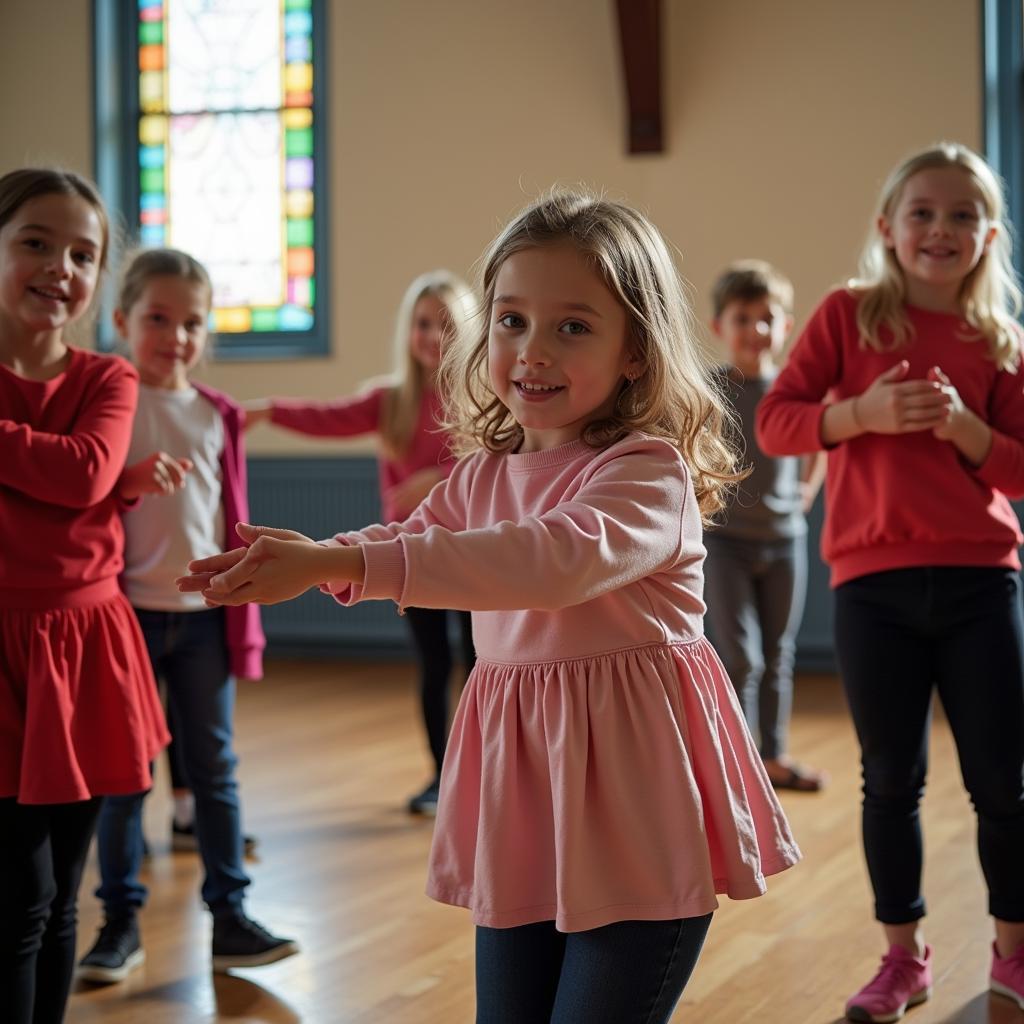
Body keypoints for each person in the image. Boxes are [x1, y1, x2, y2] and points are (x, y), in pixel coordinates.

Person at [180, 190, 801, 1023]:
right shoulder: (479, 472)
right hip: (527, 810)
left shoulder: (646, 472)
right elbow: (419, 534)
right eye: (511, 320)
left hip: (639, 812)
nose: (532, 350)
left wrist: (342, 560)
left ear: (635, 353)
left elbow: (548, 562)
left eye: (572, 326)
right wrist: (306, 558)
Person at [757, 142, 1024, 1021]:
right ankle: (901, 959)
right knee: (889, 780)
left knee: (1003, 781)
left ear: (988, 235)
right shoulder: (846, 316)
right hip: (874, 587)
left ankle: (1013, 953)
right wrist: (858, 415)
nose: (939, 230)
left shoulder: (999, 340)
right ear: (888, 227)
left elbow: (1019, 470)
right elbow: (776, 422)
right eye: (922, 213)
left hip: (984, 582)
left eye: (960, 216)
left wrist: (967, 432)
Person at [77, 248, 297, 984]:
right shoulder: (111, 402)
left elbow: (228, 513)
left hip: (203, 618)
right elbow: (89, 503)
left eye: (192, 322)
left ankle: (230, 917)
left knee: (214, 770)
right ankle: (118, 924)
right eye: (158, 319)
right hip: (126, 617)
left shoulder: (216, 413)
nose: (176, 335)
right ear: (121, 322)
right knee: (124, 777)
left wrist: (242, 592)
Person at [0, 169, 169, 1024]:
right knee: (15, 898)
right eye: (35, 241)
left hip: (83, 648)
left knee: (58, 896)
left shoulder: (107, 377)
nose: (59, 267)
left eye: (82, 253)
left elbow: (84, 475)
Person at [244, 270, 476, 815]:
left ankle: (481, 771)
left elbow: (506, 464)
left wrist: (438, 482)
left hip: (470, 554)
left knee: (478, 662)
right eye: (423, 325)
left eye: (446, 326)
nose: (433, 338)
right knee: (433, 664)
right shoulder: (389, 400)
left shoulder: (480, 398)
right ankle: (439, 775)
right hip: (409, 556)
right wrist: (269, 409)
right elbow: (327, 418)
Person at [704, 259, 826, 791]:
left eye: (767, 317)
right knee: (740, 656)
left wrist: (807, 491)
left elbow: (817, 439)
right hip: (725, 542)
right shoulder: (709, 390)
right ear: (719, 327)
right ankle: (738, 761)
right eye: (742, 317)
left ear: (785, 325)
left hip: (784, 542)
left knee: (778, 653)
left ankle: (772, 755)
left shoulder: (792, 390)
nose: (755, 329)